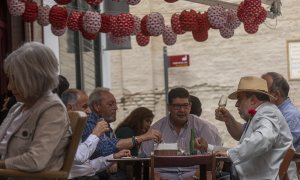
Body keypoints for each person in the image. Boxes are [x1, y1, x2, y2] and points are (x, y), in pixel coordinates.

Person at [196, 76, 297, 179]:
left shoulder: (267, 112)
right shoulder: (260, 114)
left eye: (239, 99)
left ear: (253, 100)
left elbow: (264, 138)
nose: (236, 104)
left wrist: (230, 154)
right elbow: (244, 147)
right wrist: (208, 147)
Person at [0, 42, 71, 174]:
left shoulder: (53, 110)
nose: (9, 87)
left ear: (34, 78)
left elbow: (35, 161)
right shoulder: (18, 107)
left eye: (15, 80)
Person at [140, 87, 222, 180]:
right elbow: (144, 162)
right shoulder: (156, 128)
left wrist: (195, 176)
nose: (182, 110)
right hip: (164, 177)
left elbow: (214, 161)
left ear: (190, 106)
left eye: (185, 105)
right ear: (169, 107)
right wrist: (156, 177)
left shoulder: (202, 127)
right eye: (177, 106)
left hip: (195, 176)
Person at [81, 87, 161, 180]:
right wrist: (143, 137)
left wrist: (116, 158)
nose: (116, 108)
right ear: (97, 107)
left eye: (115, 104)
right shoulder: (90, 123)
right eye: (110, 104)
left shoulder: (105, 125)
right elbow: (102, 148)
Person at [262, 72, 300, 152]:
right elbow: (240, 133)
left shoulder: (291, 116)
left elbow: (278, 149)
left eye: (263, 92)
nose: (258, 96)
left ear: (276, 94)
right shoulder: (267, 110)